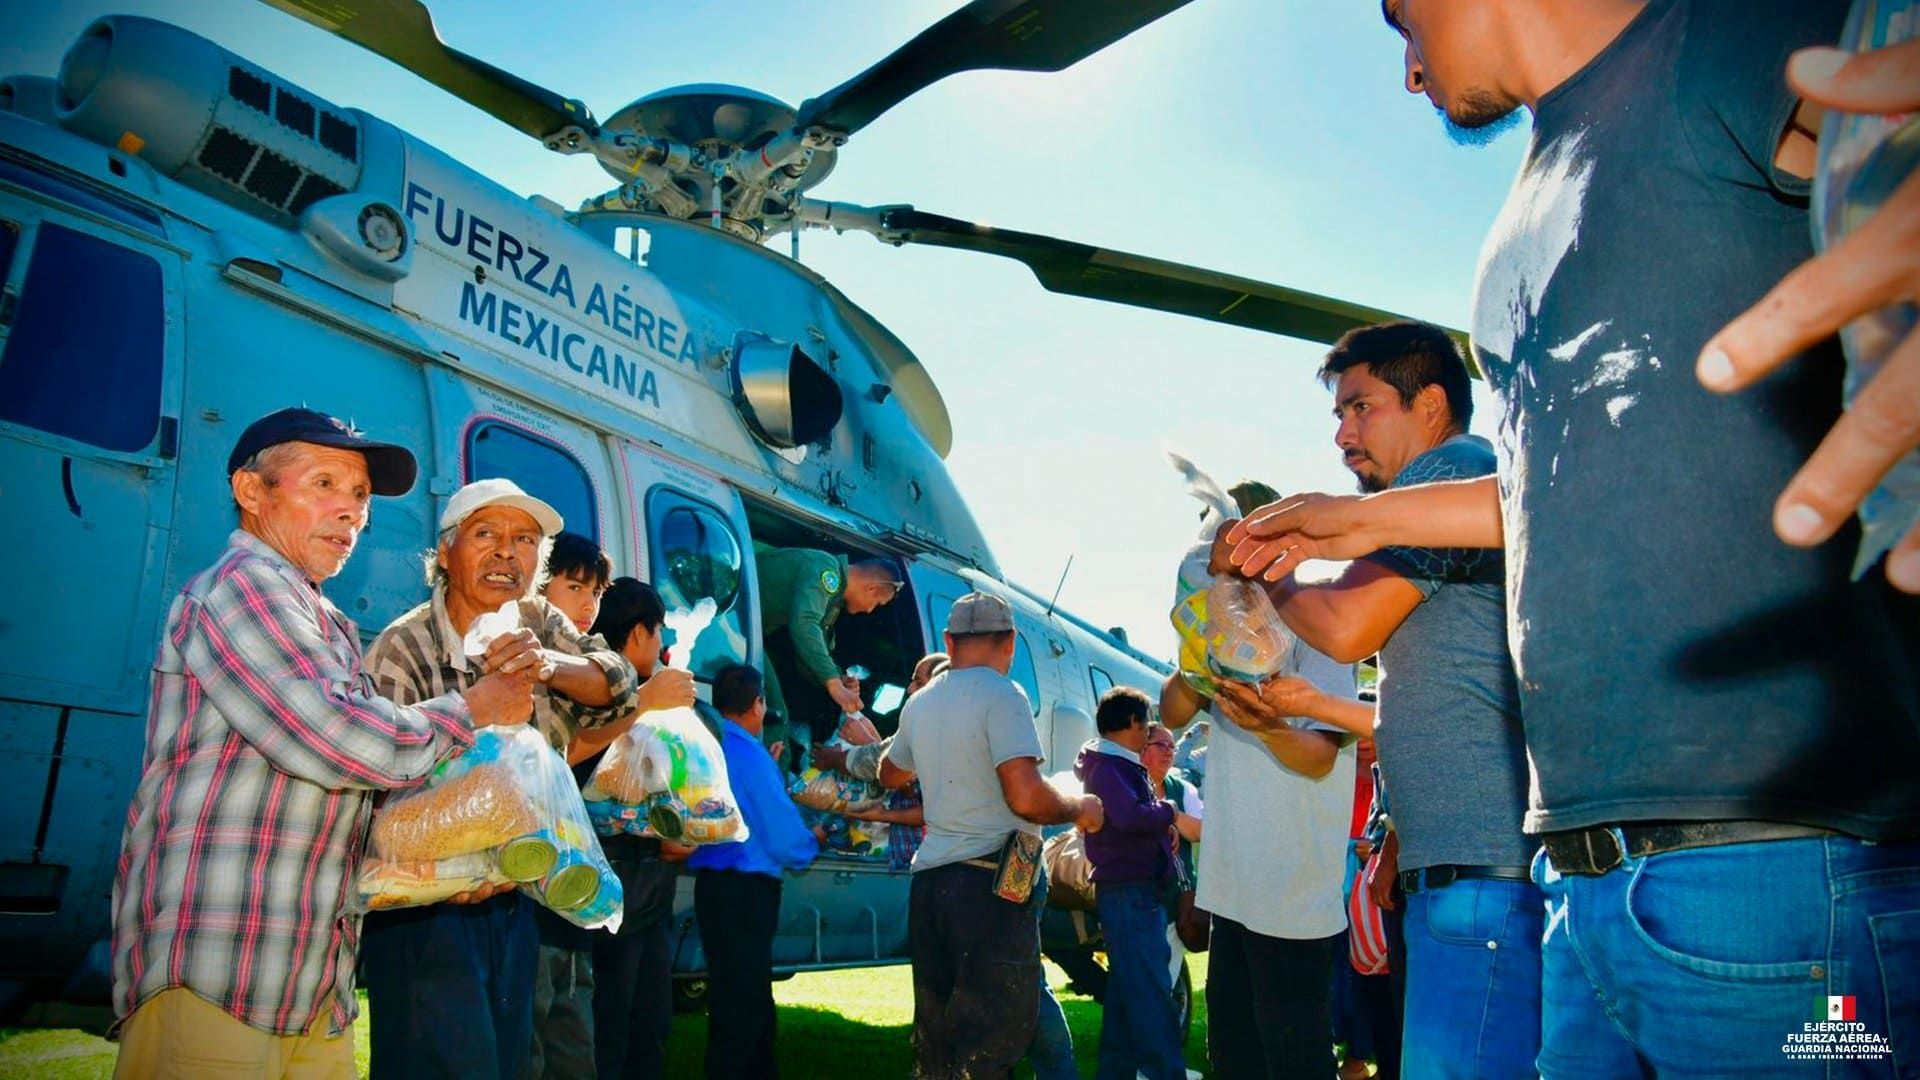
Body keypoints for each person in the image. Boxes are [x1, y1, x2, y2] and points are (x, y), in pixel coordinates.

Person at [1228, 2, 1920, 1072]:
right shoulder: (1514, 217)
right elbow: (1554, 494)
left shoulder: (1726, 39)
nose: (1409, 73)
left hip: (1783, 864)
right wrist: (1354, 519)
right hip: (1576, 877)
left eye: (1402, 21)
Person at [110, 408, 529, 1077]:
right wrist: (472, 709)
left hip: (311, 989)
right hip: (220, 976)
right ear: (252, 492)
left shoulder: (321, 617)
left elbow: (350, 797)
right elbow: (339, 741)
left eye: (360, 495)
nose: (350, 512)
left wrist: (442, 871)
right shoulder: (240, 587)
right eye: (325, 484)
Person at [1219, 321, 1538, 1078]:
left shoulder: (1450, 470)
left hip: (1481, 877)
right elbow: (1454, 699)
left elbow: (1342, 624)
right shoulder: (1446, 493)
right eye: (1337, 415)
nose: (1342, 435)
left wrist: (1259, 565)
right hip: (1466, 869)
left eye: (1361, 408)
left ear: (1430, 403)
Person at [360, 478, 638, 1080]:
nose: (507, 553)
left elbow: (618, 684)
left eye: (524, 541)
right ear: (446, 554)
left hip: (521, 893)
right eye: (486, 534)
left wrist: (548, 664)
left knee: (508, 1063)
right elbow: (378, 803)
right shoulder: (402, 647)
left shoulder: (537, 619)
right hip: (425, 912)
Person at [1163, 482, 1366, 1080]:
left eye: (1233, 541)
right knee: (1234, 1057)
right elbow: (1171, 711)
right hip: (1233, 888)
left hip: (1292, 889)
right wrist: (1197, 658)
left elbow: (1321, 756)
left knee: (1294, 1055)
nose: (1220, 556)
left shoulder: (1318, 622)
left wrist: (1271, 725)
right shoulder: (1220, 624)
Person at [879, 592, 1105, 1078]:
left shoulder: (919, 704)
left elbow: (889, 773)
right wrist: (1078, 806)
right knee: (994, 1034)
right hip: (991, 883)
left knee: (939, 1034)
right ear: (1010, 643)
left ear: (949, 641)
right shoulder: (1005, 695)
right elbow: (1024, 797)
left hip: (931, 884)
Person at [578, 578, 699, 1080]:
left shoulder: (641, 695)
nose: (661, 646)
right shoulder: (606, 692)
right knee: (614, 1027)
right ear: (636, 635)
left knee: (647, 1023)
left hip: (645, 893)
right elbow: (601, 790)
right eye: (656, 634)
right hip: (615, 892)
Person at [688, 664, 821, 1080]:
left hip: (712, 887)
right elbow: (783, 836)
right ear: (758, 705)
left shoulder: (711, 745)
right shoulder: (750, 754)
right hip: (745, 892)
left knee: (737, 1001)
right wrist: (812, 839)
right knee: (747, 1010)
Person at [1074, 688, 1192, 1080]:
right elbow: (1127, 817)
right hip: (1130, 894)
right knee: (1153, 998)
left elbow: (1130, 821)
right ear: (1132, 723)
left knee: (1127, 1001)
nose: (1148, 731)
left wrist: (1162, 831)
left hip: (1130, 894)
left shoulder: (1114, 765)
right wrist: (1168, 812)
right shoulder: (1110, 767)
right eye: (1146, 723)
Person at [753, 545, 904, 746]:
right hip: (732, 623)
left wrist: (839, 679)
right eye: (876, 603)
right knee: (774, 720)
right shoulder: (826, 569)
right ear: (872, 588)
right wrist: (832, 683)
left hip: (739, 628)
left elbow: (808, 654)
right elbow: (804, 622)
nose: (869, 610)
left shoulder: (832, 603)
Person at [543, 530, 613, 634]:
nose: (590, 607)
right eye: (575, 588)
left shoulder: (593, 648)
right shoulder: (515, 642)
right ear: (541, 585)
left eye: (596, 593)